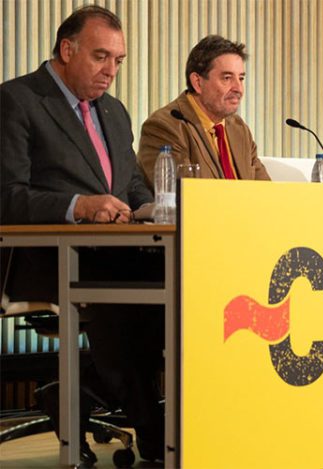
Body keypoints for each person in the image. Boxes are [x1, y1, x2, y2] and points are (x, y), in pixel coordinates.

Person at [0, 6, 164, 463]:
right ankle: (151, 426)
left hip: (112, 250)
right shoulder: (17, 100)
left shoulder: (113, 111)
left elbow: (129, 185)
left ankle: (93, 392)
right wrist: (79, 207)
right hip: (40, 255)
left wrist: (152, 207)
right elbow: (7, 195)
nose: (111, 71)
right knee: (128, 285)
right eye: (100, 57)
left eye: (119, 60)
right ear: (67, 49)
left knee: (176, 271)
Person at [138, 35, 270, 186]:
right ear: (198, 82)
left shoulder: (239, 128)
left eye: (240, 78)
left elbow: (265, 192)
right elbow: (181, 196)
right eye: (227, 78)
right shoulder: (164, 127)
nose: (238, 88)